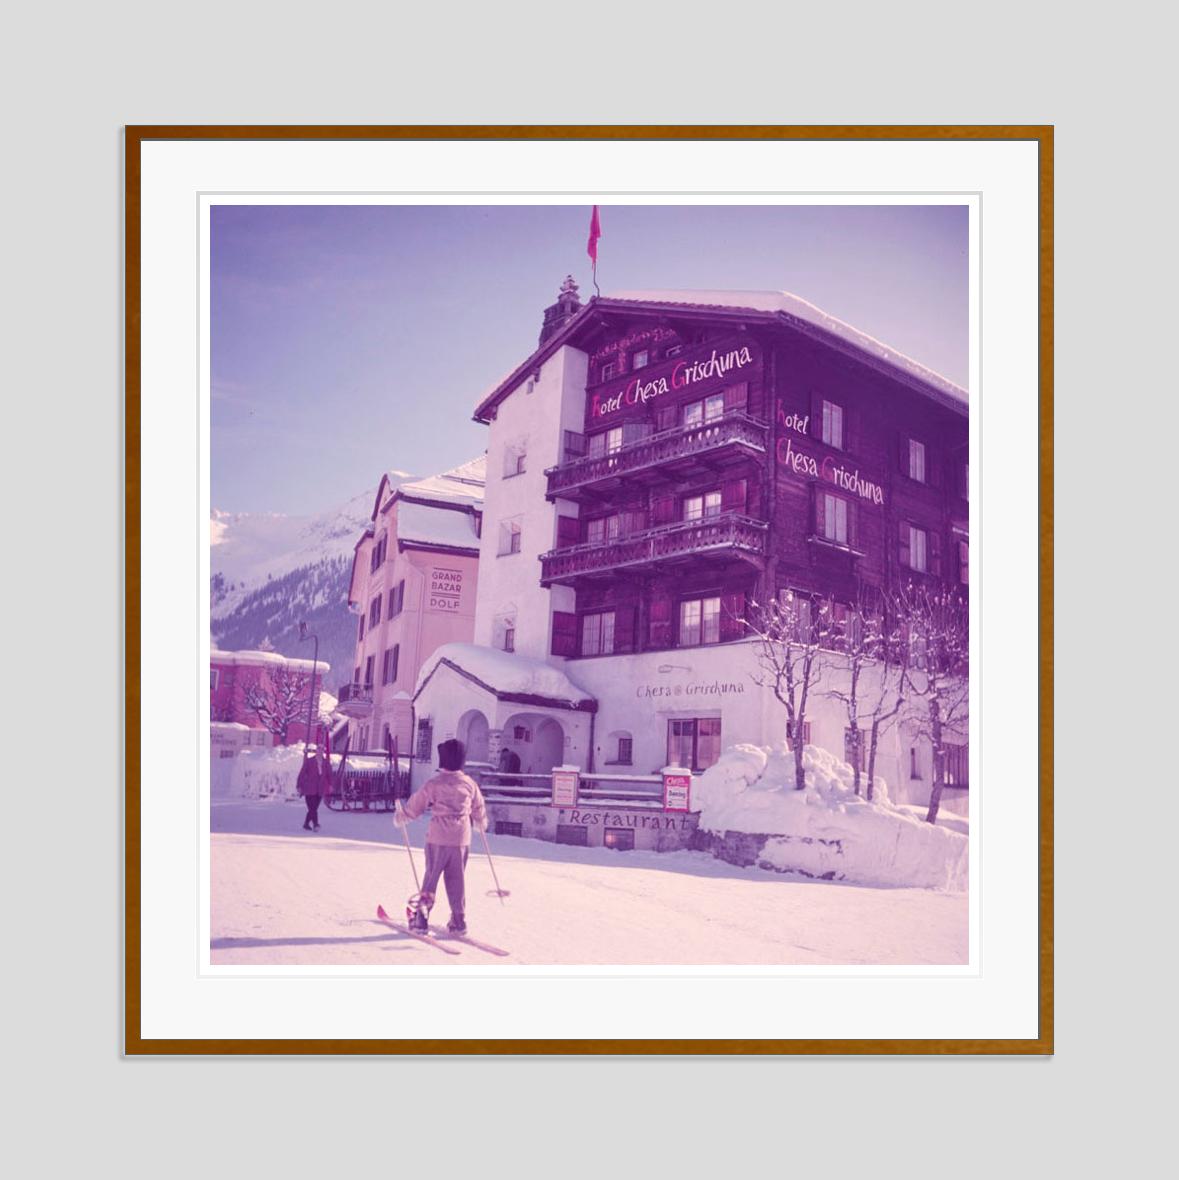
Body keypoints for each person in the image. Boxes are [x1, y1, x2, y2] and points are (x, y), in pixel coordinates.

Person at [394, 738, 487, 936]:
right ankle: (459, 920)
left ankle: (421, 919)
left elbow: (418, 803)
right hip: (461, 839)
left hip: (438, 838)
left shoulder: (435, 783)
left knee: (431, 878)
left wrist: (404, 815)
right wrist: (480, 820)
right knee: (457, 880)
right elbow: (478, 806)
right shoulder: (469, 784)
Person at [297, 745, 330, 831]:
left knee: (314, 808)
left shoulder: (326, 762)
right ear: (316, 751)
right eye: (319, 749)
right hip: (309, 788)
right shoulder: (309, 761)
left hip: (319, 789)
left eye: (322, 749)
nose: (320, 751)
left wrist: (331, 785)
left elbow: (329, 775)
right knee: (312, 808)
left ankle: (306, 824)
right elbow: (302, 773)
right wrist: (299, 785)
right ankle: (316, 824)